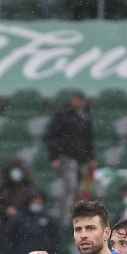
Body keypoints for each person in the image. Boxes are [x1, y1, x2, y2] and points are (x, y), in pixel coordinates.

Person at [45, 91, 95, 225]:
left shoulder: (86, 117)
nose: (79, 102)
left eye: (81, 99)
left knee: (81, 190)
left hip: (82, 158)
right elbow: (50, 136)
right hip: (67, 156)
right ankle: (66, 221)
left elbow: (88, 139)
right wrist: (54, 157)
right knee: (70, 188)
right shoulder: (63, 116)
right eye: (77, 99)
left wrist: (91, 158)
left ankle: (78, 218)